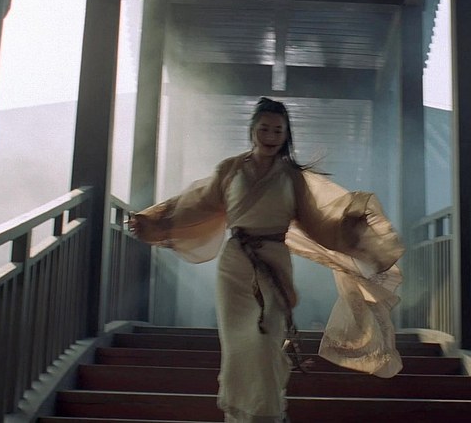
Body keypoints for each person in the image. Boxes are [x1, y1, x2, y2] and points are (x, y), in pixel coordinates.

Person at [128, 97, 404, 423]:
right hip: (235, 264)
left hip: (274, 262)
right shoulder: (230, 169)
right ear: (252, 131)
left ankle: (269, 413)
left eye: (277, 130)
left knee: (266, 341)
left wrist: (356, 237)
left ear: (286, 135)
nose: (270, 136)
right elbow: (195, 204)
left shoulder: (291, 177)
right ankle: (241, 416)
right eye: (264, 129)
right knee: (238, 347)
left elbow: (316, 223)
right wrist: (155, 221)